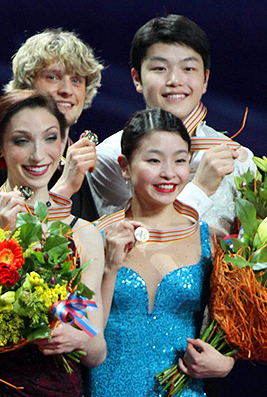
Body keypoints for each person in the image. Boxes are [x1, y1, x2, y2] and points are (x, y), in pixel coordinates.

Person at [0, 90, 106, 396]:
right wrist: (5, 239)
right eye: (21, 140)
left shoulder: (83, 233)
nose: (37, 155)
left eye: (50, 138)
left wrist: (79, 339)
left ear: (63, 144)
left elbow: (97, 350)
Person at [87, 108, 235, 397]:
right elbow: (82, 337)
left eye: (180, 160)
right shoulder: (93, 237)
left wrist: (226, 363)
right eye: (154, 160)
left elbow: (231, 329)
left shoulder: (211, 239)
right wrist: (108, 268)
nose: (169, 173)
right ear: (124, 166)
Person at [87, 14, 255, 234]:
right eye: (160, 69)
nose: (175, 80)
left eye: (188, 69)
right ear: (137, 78)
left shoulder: (238, 159)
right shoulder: (112, 157)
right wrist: (200, 188)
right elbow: (135, 244)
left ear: (205, 80)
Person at [0, 29, 103, 221]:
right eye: (53, 77)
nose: (67, 90)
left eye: (77, 80)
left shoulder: (84, 160)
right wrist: (65, 188)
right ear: (26, 84)